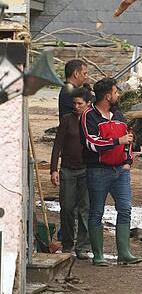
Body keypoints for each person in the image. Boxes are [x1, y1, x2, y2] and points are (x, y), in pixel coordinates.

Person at [80, 78, 141, 266]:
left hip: (120, 171)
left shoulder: (118, 115)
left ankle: (124, 253)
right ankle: (98, 255)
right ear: (108, 95)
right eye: (116, 92)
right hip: (98, 171)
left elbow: (128, 139)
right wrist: (117, 142)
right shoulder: (89, 116)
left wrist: (128, 161)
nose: (118, 95)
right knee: (96, 211)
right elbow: (91, 142)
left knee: (125, 209)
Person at [51, 87, 93, 259]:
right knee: (67, 208)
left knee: (85, 209)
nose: (76, 106)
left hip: (87, 170)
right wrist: (54, 169)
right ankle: (68, 244)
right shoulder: (67, 120)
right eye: (74, 103)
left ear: (88, 104)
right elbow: (57, 145)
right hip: (68, 169)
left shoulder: (93, 120)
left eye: (79, 104)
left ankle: (82, 247)